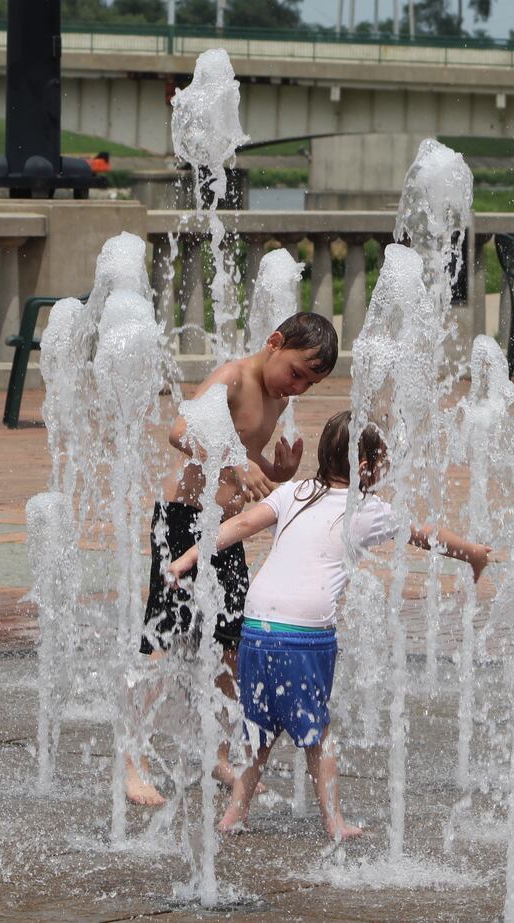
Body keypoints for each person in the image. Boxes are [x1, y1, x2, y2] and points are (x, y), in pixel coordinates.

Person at [164, 410, 491, 842]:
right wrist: (472, 554)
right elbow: (426, 533)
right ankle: (334, 823)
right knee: (318, 734)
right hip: (305, 634)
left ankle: (233, 815)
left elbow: (239, 525)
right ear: (367, 468)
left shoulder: (293, 492)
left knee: (259, 730)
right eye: (386, 461)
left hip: (258, 626)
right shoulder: (369, 509)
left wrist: (187, 559)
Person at [125, 311, 339, 807]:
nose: (299, 388)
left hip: (218, 533)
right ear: (274, 342)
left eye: (310, 382)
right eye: (297, 372)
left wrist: (274, 469)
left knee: (232, 647)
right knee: (163, 641)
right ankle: (131, 763)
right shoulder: (233, 377)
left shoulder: (276, 398)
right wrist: (241, 463)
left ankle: (220, 754)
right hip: (181, 521)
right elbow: (180, 432)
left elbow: (244, 457)